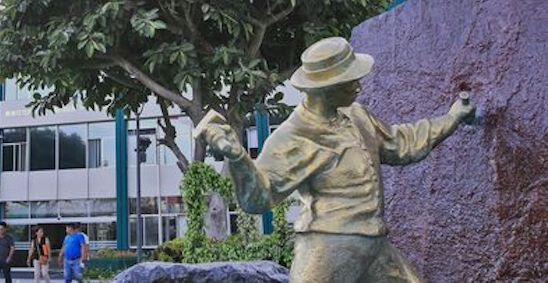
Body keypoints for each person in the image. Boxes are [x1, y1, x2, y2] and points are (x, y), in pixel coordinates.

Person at [196, 37, 477, 283]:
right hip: (328, 248)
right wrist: (238, 158)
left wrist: (452, 118)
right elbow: (259, 199)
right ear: (326, 88)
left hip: (374, 245)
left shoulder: (357, 116)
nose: (358, 85)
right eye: (350, 80)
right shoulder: (292, 138)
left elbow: (400, 143)